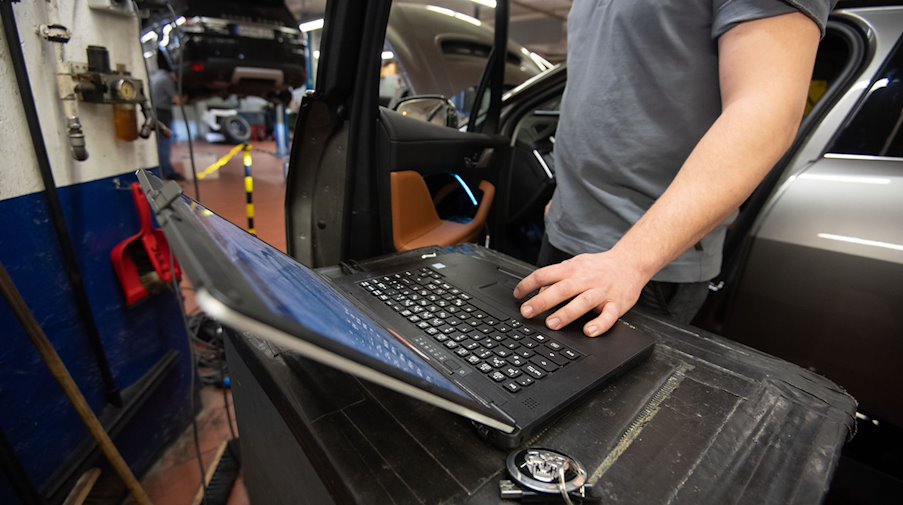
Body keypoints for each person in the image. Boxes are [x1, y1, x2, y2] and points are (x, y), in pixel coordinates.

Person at [514, 0, 836, 337]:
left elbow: (768, 113)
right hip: (568, 230)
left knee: (609, 388)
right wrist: (568, 193)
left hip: (639, 263)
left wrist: (630, 261)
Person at [149, 53, 184, 181]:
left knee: (160, 142)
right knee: (165, 141)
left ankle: (162, 169)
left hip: (155, 112)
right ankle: (167, 171)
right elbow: (177, 100)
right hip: (163, 113)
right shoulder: (167, 80)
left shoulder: (156, 76)